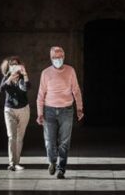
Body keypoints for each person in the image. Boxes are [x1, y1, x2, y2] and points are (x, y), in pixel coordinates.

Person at [36, 46, 84, 179]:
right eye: (54, 57)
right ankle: (52, 162)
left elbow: (76, 90)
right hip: (49, 110)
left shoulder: (70, 70)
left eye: (59, 57)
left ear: (63, 57)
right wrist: (40, 113)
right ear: (51, 58)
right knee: (50, 140)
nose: (57, 59)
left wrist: (79, 108)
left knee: (64, 141)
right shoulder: (45, 73)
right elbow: (41, 94)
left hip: (66, 110)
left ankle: (61, 168)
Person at [0, 56, 31, 171]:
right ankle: (12, 163)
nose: (14, 67)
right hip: (9, 110)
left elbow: (27, 87)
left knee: (19, 137)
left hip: (23, 110)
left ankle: (17, 162)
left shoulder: (22, 77)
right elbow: (1, 89)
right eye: (12, 65)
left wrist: (25, 74)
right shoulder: (6, 77)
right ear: (8, 67)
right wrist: (9, 78)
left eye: (16, 64)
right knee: (11, 136)